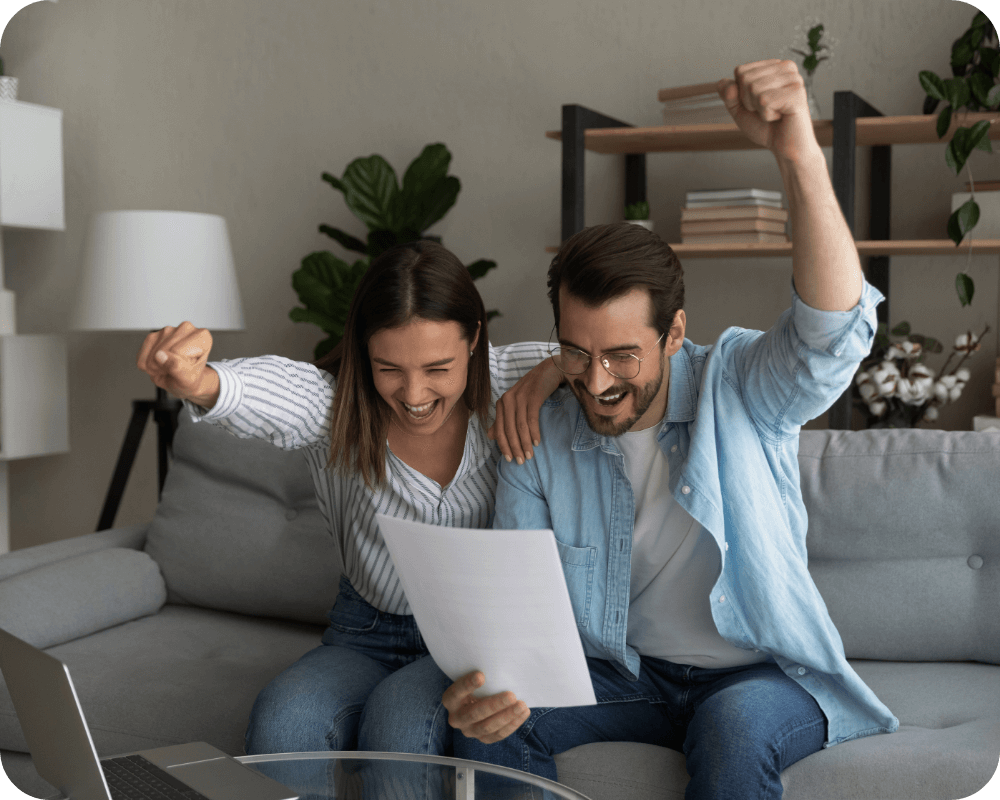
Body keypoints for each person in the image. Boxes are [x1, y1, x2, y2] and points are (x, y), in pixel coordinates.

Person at [361, 59, 899, 799]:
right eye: (576, 352)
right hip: (622, 673)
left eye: (622, 355)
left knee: (733, 735)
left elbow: (831, 334)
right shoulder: (539, 429)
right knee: (492, 728)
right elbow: (519, 604)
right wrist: (495, 686)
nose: (599, 380)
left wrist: (798, 151)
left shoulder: (739, 384)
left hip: (754, 677)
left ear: (675, 332)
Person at [136, 240, 562, 790]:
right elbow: (266, 391)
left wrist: (556, 370)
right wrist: (197, 382)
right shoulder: (332, 406)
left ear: (475, 337)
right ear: (363, 352)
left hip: (472, 641)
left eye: (438, 368)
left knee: (402, 731)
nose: (413, 394)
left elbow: (623, 355)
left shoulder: (512, 377)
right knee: (282, 719)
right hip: (368, 632)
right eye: (389, 368)